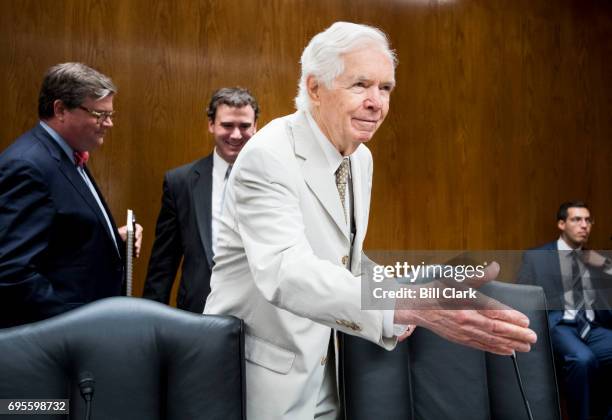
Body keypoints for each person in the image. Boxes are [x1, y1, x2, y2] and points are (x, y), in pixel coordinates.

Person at [204, 22, 536, 419]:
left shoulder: (359, 157)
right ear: (314, 89)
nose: (377, 102)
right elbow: (286, 271)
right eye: (360, 85)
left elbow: (348, 260)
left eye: (386, 88)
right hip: (259, 383)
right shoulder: (268, 154)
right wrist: (409, 304)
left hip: (328, 377)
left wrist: (422, 293)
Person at [0, 62, 143, 328]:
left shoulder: (65, 155)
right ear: (60, 109)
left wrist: (112, 239)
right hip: (56, 341)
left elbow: (61, 234)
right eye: (99, 115)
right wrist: (72, 324)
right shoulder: (28, 166)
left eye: (111, 114)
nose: (109, 124)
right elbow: (11, 270)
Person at [142, 87, 259, 312]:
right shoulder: (180, 182)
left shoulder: (275, 179)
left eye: (244, 126)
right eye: (227, 125)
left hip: (258, 312)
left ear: (256, 127)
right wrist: (150, 320)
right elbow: (163, 263)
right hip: (198, 311)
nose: (236, 135)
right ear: (211, 125)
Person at [519, 201, 612, 420]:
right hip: (561, 325)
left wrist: (605, 265)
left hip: (594, 327)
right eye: (576, 219)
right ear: (561, 224)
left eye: (588, 220)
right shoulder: (536, 257)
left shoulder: (595, 258)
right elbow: (523, 298)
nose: (584, 225)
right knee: (583, 360)